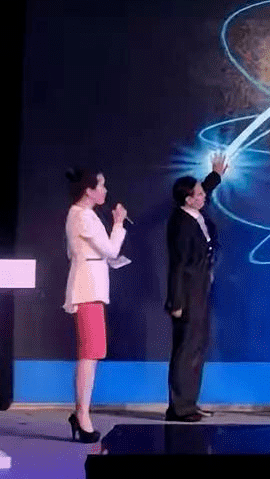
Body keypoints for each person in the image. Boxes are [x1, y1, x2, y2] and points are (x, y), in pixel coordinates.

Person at [63, 168, 129, 443]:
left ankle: (81, 414)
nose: (104, 190)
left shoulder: (86, 215)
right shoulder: (81, 216)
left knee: (92, 354)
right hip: (86, 290)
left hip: (93, 290)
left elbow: (104, 253)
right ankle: (82, 416)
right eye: (100, 186)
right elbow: (110, 249)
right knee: (89, 354)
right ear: (88, 190)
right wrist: (118, 224)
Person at [165, 153, 227, 422]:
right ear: (188, 199)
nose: (204, 196)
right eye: (199, 194)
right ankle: (179, 407)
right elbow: (178, 265)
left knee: (197, 346)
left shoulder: (194, 212)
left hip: (200, 288)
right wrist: (176, 302)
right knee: (186, 348)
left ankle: (190, 401)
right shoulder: (181, 223)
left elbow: (204, 189)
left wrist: (215, 175)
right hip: (187, 292)